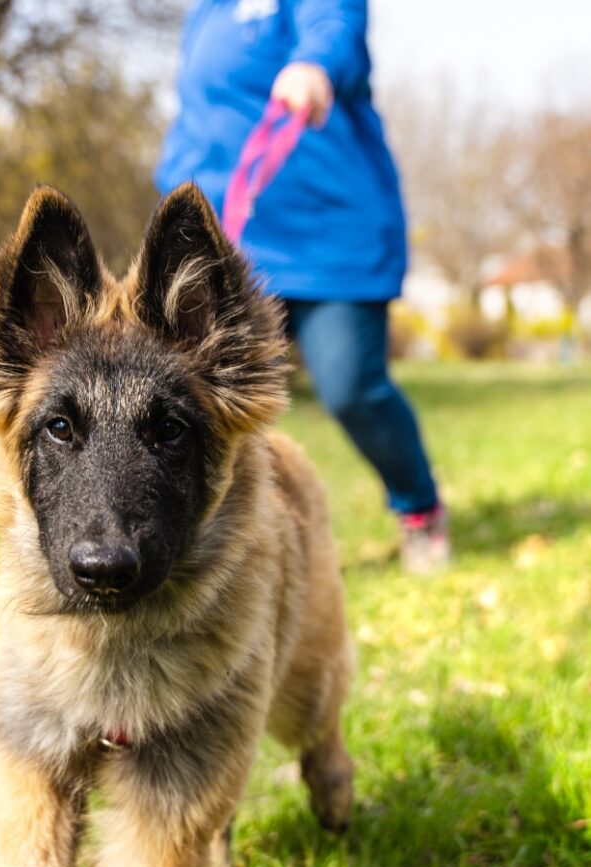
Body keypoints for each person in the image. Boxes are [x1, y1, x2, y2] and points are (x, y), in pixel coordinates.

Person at [156, 0, 450, 573]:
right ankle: (218, 540)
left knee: (351, 387)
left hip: (328, 236)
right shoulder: (207, 14)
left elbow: (335, 27)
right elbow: (197, 117)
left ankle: (420, 507)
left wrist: (313, 66)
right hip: (231, 244)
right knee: (196, 395)